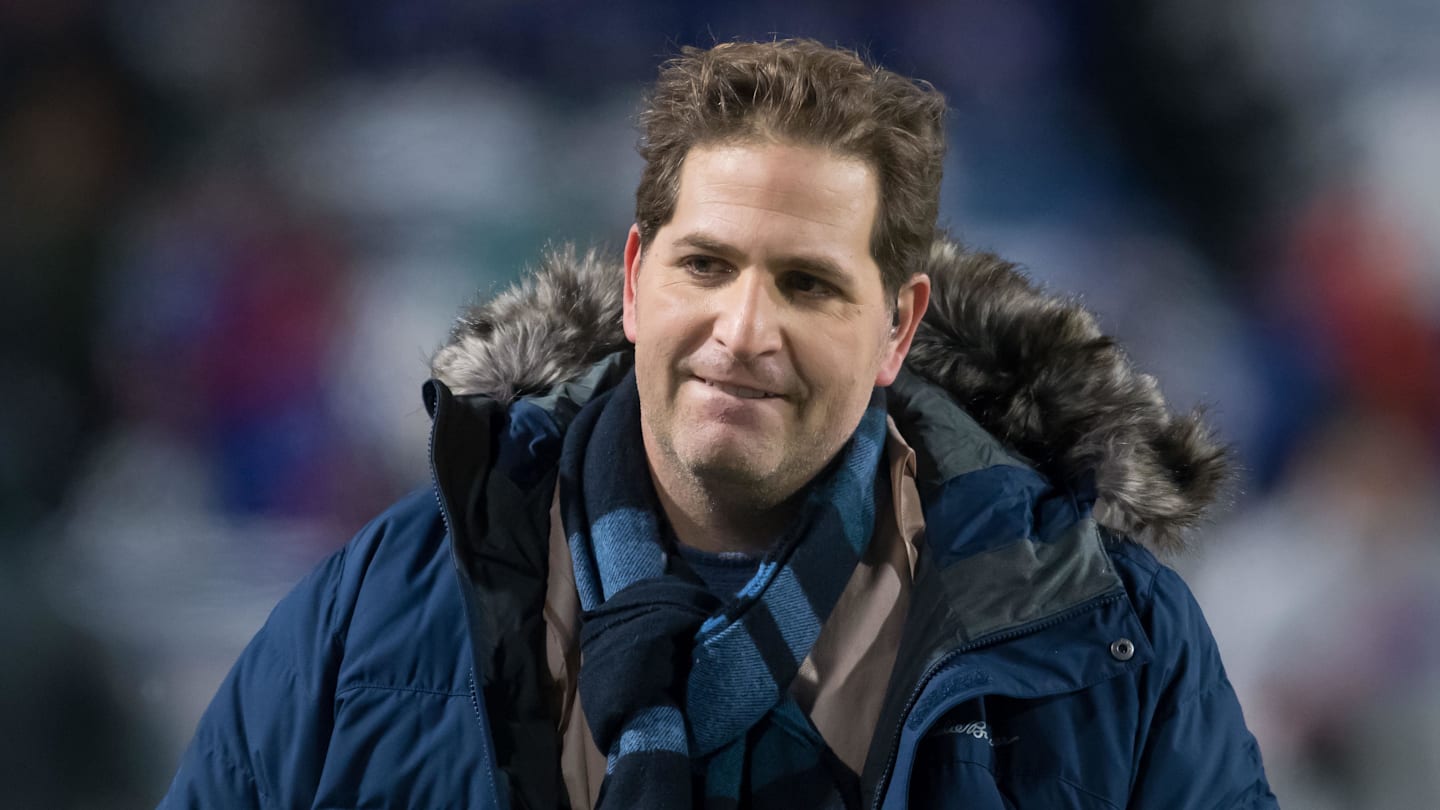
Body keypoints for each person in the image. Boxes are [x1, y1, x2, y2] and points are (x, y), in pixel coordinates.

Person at [160, 39, 1278, 809]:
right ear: (635, 280)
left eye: (807, 284)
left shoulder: (1113, 643)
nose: (743, 331)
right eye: (706, 265)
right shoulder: (375, 609)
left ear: (896, 327)